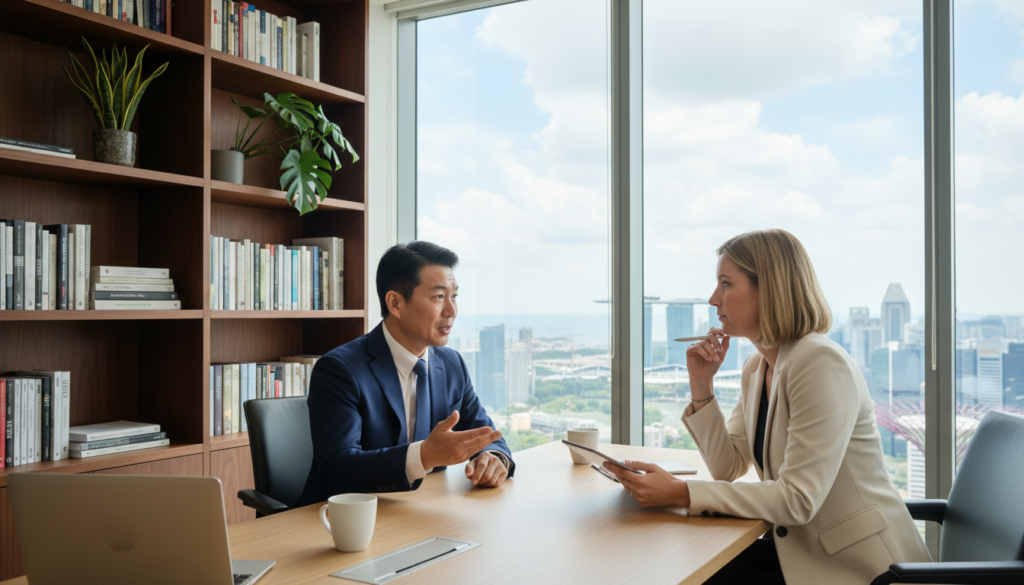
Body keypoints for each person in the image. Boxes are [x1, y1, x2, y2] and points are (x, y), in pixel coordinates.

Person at [603, 230, 930, 585]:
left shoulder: (819, 362)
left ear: (769, 289)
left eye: (726, 284)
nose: (714, 299)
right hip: (803, 549)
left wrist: (680, 492)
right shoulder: (758, 368)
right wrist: (701, 386)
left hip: (862, 566)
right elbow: (727, 466)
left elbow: (798, 498)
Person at [296, 241, 514, 506]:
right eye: (438, 297)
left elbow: (487, 435)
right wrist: (423, 457)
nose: (451, 311)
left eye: (454, 296)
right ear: (395, 303)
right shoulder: (340, 370)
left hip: (423, 512)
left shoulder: (452, 363)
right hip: (341, 522)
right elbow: (337, 470)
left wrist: (493, 458)